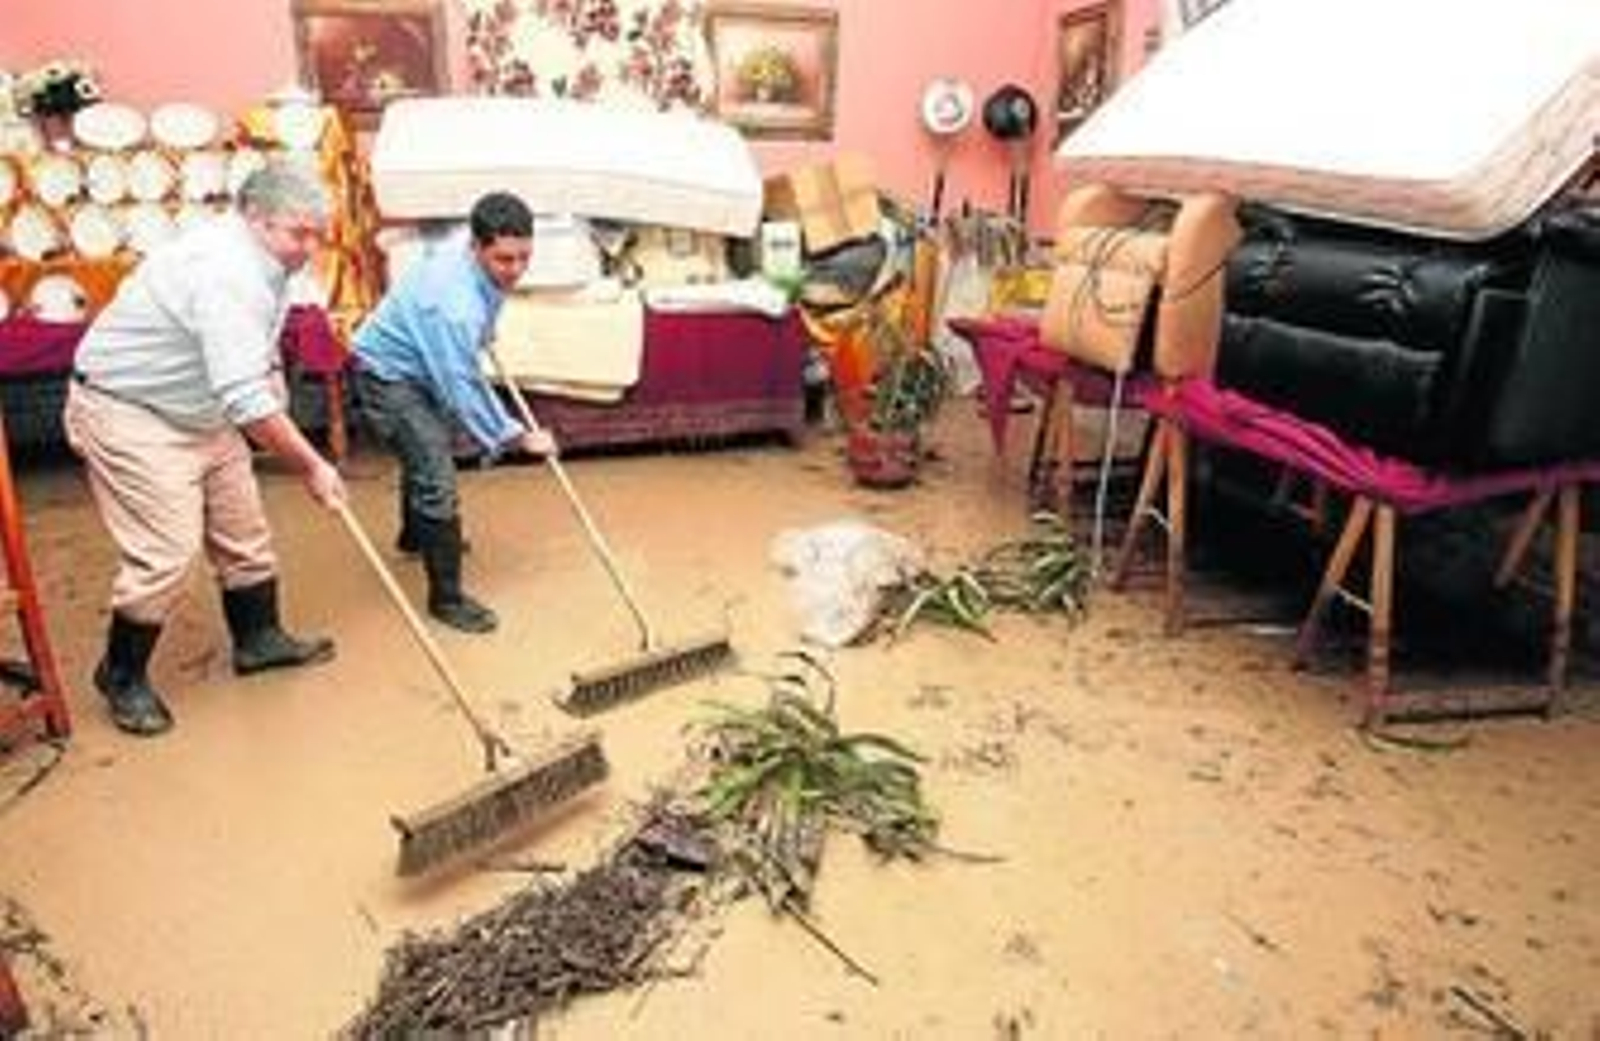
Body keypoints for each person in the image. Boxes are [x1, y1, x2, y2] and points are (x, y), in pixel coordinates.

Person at [63, 159, 347, 737]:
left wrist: (272, 395)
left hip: (199, 407)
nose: (309, 247)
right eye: (299, 233)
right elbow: (244, 395)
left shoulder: (267, 258)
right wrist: (311, 464)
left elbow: (252, 359)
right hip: (129, 410)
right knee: (166, 552)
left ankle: (258, 640)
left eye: (318, 233)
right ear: (254, 218)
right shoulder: (224, 270)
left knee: (243, 531)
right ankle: (120, 675)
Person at [351, 191, 555, 634]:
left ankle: (414, 536)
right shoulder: (452, 305)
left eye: (524, 257)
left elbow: (480, 313)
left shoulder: (470, 263)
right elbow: (461, 387)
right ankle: (447, 599)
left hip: (421, 362)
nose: (516, 270)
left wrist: (485, 331)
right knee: (436, 473)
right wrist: (516, 435)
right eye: (504, 260)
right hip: (387, 377)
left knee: (424, 452)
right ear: (476, 247)